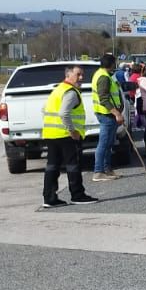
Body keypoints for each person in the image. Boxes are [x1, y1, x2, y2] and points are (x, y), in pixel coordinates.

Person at [41, 64, 100, 208]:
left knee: (52, 167)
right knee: (73, 165)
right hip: (66, 136)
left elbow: (44, 109)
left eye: (82, 74)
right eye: (78, 74)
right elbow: (63, 113)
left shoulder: (58, 89)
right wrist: (72, 130)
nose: (81, 78)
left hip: (51, 134)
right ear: (68, 75)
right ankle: (77, 195)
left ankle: (49, 197)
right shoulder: (71, 92)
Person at [89, 53, 125, 181]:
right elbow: (104, 98)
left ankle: (107, 169)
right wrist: (116, 113)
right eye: (114, 63)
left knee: (108, 143)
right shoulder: (103, 77)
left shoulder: (106, 75)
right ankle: (98, 171)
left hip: (109, 114)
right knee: (104, 143)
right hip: (106, 114)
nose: (115, 65)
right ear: (110, 64)